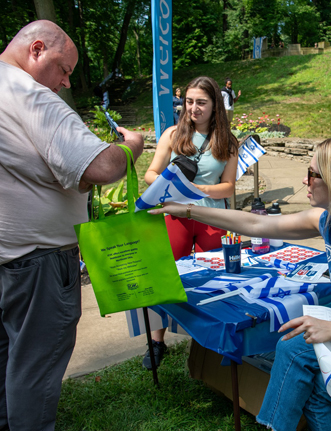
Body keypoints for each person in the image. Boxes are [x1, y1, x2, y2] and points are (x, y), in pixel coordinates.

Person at [148, 135, 331, 430]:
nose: (305, 180)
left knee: (315, 385)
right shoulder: (329, 222)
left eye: (312, 174)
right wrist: (186, 209)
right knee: (294, 344)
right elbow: (256, 223)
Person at [0, 20, 144, 431]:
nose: (64, 83)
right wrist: (130, 146)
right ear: (37, 49)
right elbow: (100, 165)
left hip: (9, 258)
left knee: (9, 362)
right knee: (34, 371)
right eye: (63, 69)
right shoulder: (30, 95)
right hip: (38, 263)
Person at [142, 76, 239, 370]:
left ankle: (211, 340)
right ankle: (157, 341)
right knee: (167, 277)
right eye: (189, 101)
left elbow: (229, 186)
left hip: (212, 217)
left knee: (215, 279)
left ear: (215, 106)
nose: (193, 108)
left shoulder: (227, 141)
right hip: (175, 215)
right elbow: (150, 173)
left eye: (201, 102)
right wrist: (168, 186)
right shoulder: (172, 134)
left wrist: (198, 191)